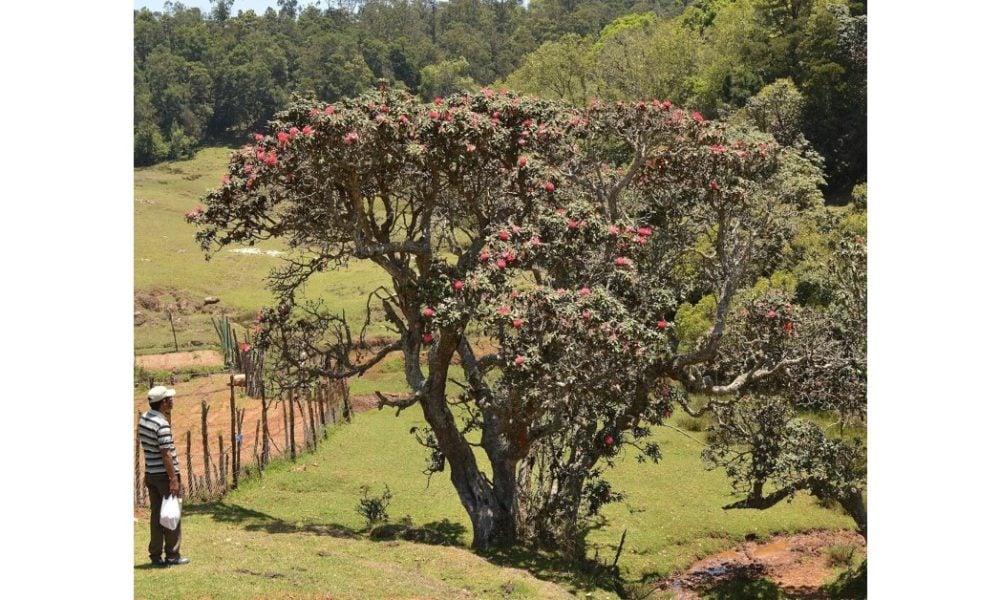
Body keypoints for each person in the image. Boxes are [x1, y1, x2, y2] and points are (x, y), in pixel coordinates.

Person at [138, 386, 191, 567]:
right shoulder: (162, 425)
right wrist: (173, 479)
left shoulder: (144, 419)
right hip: (164, 476)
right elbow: (166, 453)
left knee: (156, 515)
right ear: (163, 403)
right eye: (169, 399)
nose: (172, 401)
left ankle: (155, 555)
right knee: (171, 515)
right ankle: (172, 555)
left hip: (151, 474)